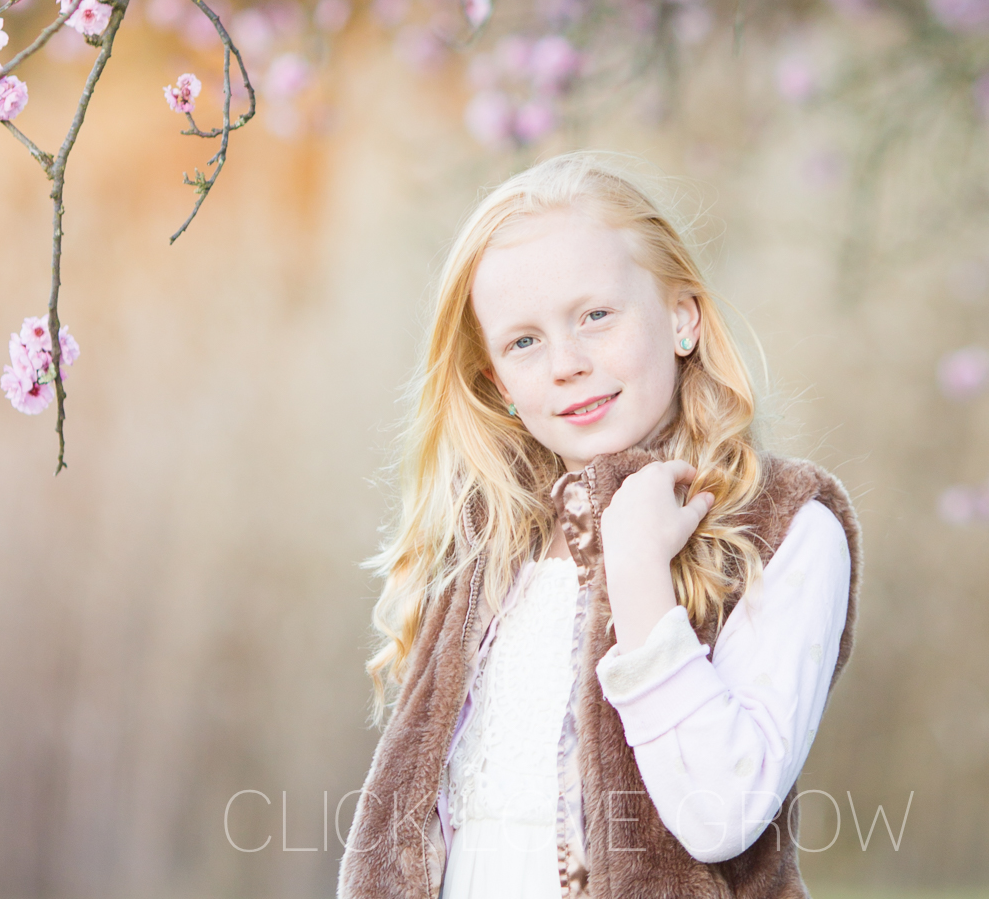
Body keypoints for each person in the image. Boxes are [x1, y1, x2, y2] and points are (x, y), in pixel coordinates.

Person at [337, 152, 862, 899]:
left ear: (681, 318)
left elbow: (720, 815)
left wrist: (639, 572)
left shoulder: (783, 528)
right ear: (499, 384)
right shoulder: (486, 541)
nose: (566, 363)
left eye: (595, 316)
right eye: (523, 341)